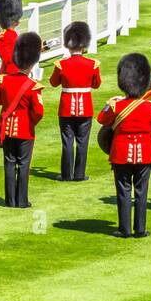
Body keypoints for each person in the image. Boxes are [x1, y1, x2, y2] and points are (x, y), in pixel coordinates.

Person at [97, 53, 151, 238]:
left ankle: (125, 229)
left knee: (123, 190)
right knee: (142, 192)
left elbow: (101, 119)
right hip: (144, 152)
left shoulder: (115, 105)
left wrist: (111, 102)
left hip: (121, 152)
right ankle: (140, 229)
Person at [0, 32, 44, 208]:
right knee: (23, 164)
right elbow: (38, 112)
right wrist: (30, 123)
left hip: (7, 129)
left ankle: (9, 200)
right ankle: (21, 200)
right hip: (25, 129)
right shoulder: (33, 85)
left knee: (9, 164)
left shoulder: (4, 81)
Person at [50, 21, 101, 181]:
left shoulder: (61, 64)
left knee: (67, 142)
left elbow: (53, 82)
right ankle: (79, 174)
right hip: (85, 107)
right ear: (84, 44)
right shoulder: (92, 64)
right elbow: (97, 84)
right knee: (82, 142)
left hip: (66, 108)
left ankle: (66, 174)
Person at [0, 0, 21, 75]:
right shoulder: (5, 36)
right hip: (10, 74)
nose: (18, 21)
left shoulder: (12, 34)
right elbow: (9, 59)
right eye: (15, 19)